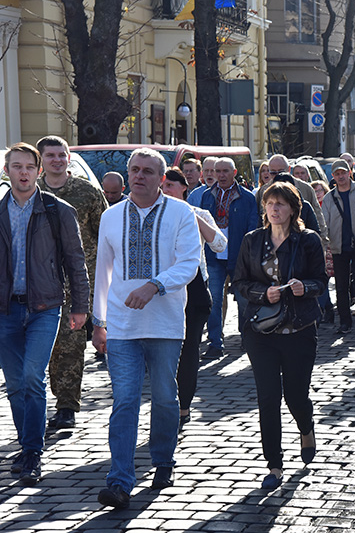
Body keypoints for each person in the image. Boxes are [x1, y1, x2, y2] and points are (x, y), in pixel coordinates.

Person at [92, 148, 202, 508]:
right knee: (124, 401)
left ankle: (163, 459)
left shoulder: (181, 213)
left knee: (165, 398)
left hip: (165, 323)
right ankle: (120, 480)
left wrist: (154, 284)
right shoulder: (110, 217)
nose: (140, 176)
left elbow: (189, 264)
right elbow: (103, 273)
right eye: (135, 170)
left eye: (148, 171)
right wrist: (99, 322)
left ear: (161, 177)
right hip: (122, 325)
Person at [0, 142, 89, 486]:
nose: (23, 173)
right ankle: (26, 447)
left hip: (44, 307)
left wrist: (80, 306)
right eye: (16, 166)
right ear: (7, 171)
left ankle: (33, 452)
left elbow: (76, 262)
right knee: (15, 384)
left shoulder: (57, 210)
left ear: (38, 172)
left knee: (33, 379)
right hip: (6, 310)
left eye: (28, 167)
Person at [232, 182, 326, 492]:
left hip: (299, 329)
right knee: (268, 398)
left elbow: (320, 280)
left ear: (293, 209)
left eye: (281, 204)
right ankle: (274, 464)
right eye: (269, 203)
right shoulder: (252, 241)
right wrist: (262, 293)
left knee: (295, 395)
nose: (274, 209)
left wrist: (305, 288)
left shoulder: (308, 240)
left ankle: (306, 427)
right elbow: (240, 282)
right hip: (261, 331)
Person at [36, 135, 108, 430]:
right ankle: (36, 402)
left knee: (69, 344)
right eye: (50, 155)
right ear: (41, 160)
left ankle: (66, 406)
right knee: (42, 348)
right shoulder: (29, 191)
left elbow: (106, 234)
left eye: (61, 154)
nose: (56, 160)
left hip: (75, 283)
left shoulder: (86, 192)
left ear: (68, 157)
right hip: (36, 283)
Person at [160, 168, 227, 429]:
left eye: (171, 187)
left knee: (189, 350)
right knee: (163, 350)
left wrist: (192, 217)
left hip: (194, 288)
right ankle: (164, 402)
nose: (166, 191)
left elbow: (220, 245)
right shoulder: (154, 214)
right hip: (162, 288)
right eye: (163, 187)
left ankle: (184, 406)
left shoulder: (198, 213)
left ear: (184, 188)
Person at [199, 157, 259, 357]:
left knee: (243, 300)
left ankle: (247, 338)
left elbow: (253, 228)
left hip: (239, 257)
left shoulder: (247, 197)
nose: (221, 175)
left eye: (226, 171)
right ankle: (215, 342)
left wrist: (248, 254)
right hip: (213, 257)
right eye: (218, 171)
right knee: (214, 300)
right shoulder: (207, 196)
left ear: (234, 173)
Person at [322, 159, 355, 333]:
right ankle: (345, 321)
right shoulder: (329, 198)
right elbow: (325, 223)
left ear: (349, 172)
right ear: (333, 176)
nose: (341, 176)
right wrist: (326, 244)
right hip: (338, 247)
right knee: (341, 286)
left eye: (343, 172)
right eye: (337, 174)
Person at [311, 180, 335, 323]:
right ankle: (326, 307)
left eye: (319, 190)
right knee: (322, 278)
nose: (317, 194)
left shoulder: (328, 204)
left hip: (330, 246)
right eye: (315, 191)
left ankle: (326, 307)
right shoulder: (312, 207)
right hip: (318, 247)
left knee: (325, 278)